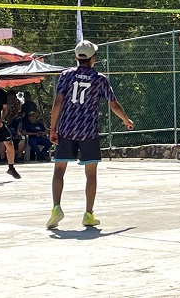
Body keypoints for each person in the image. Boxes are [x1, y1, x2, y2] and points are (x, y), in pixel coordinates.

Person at [46, 40, 134, 229]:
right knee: (91, 174)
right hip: (89, 131)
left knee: (59, 170)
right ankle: (88, 214)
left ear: (76, 57)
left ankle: (56, 208)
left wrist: (53, 128)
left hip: (67, 128)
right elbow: (113, 103)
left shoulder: (66, 75)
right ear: (93, 58)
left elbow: (57, 102)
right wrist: (125, 120)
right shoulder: (99, 78)